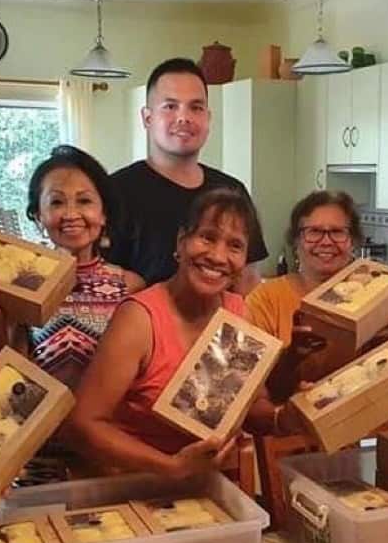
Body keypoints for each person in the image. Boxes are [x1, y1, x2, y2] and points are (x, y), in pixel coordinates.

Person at [70, 189, 297, 479]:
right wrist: (170, 467)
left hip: (211, 488)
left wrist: (283, 417)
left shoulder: (238, 312)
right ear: (181, 241)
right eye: (207, 237)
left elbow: (249, 405)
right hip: (135, 487)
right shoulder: (139, 319)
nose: (217, 256)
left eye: (235, 246)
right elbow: (84, 423)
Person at [0, 145, 145, 389]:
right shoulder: (23, 285)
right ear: (38, 216)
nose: (71, 214)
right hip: (45, 421)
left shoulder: (131, 286)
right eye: (56, 202)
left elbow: (141, 373)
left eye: (84, 201)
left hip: (107, 424)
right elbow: (9, 383)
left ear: (103, 213)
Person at [108, 57, 268, 290]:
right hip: (138, 324)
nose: (184, 117)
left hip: (220, 325)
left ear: (208, 118)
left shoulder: (232, 191)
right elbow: (101, 280)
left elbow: (248, 279)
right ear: (147, 118)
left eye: (196, 107)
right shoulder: (115, 192)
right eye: (170, 106)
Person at [246, 190, 365, 398]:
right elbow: (252, 386)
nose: (326, 241)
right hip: (291, 426)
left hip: (369, 426)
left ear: (352, 241)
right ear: (296, 241)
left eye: (337, 232)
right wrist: (292, 357)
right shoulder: (265, 298)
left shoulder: (374, 296)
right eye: (314, 232)